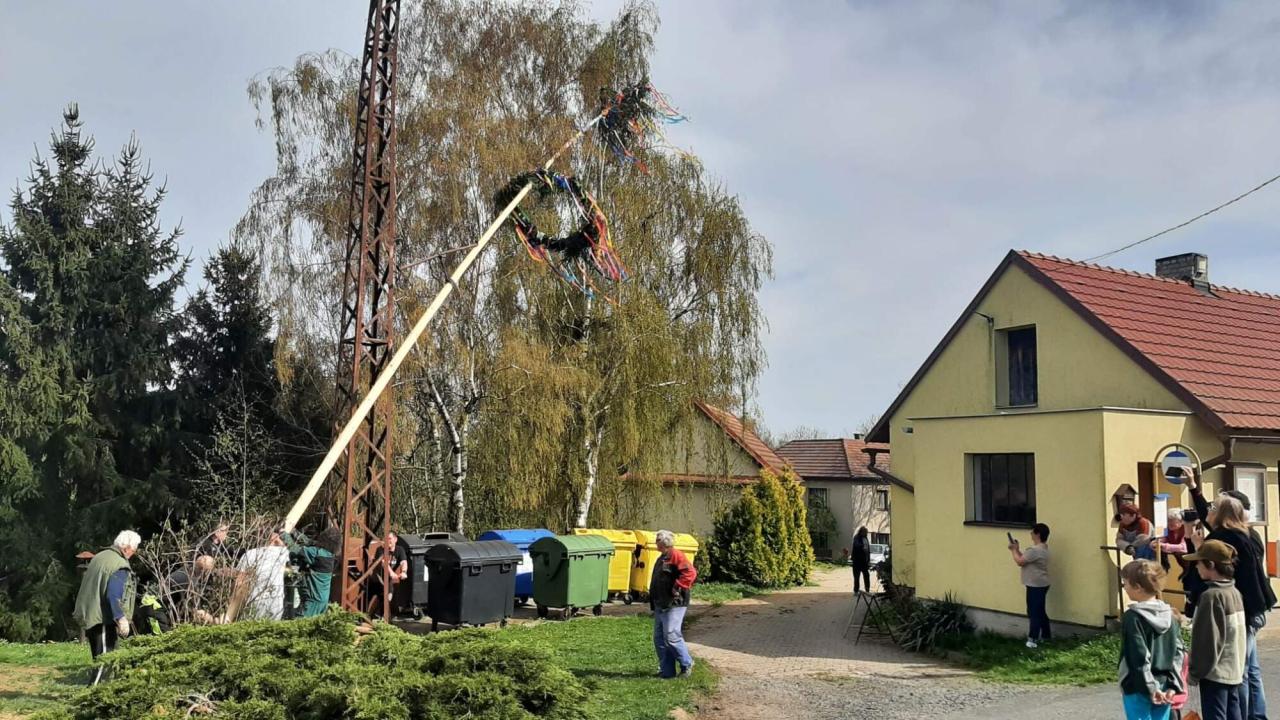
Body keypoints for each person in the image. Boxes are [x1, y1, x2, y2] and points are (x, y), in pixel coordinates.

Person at [1187, 468, 1275, 720]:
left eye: (1213, 507)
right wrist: (1193, 487)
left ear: (1222, 513)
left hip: (1241, 608)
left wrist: (1199, 548)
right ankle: (1255, 715)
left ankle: (1252, 716)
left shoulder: (1226, 538)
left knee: (1239, 672)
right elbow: (1208, 519)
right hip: (1251, 606)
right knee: (1248, 669)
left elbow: (1213, 566)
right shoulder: (1244, 533)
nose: (1209, 511)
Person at [1185, 539, 1247, 720]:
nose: (1197, 567)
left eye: (1199, 563)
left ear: (1210, 564)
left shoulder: (1211, 596)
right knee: (1233, 714)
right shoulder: (1234, 592)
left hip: (1215, 672)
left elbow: (1208, 640)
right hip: (1233, 669)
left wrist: (1195, 672)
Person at [1118, 560, 1185, 720]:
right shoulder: (1170, 614)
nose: (1124, 587)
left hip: (1138, 685)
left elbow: (1138, 657)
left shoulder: (1132, 618)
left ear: (1137, 587)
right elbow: (1179, 653)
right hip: (1166, 685)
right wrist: (1174, 684)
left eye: (1125, 583)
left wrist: (1150, 688)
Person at [73, 530, 141, 660]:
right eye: (134, 550)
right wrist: (121, 618)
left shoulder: (100, 556)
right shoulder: (119, 565)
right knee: (105, 662)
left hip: (90, 615)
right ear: (126, 548)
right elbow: (113, 594)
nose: (134, 553)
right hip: (102, 618)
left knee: (102, 659)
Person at [650, 529, 698, 679]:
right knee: (659, 638)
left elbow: (690, 573)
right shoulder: (662, 557)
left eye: (657, 540)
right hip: (661, 603)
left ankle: (687, 663)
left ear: (664, 542)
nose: (655, 542)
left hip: (674, 603)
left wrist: (677, 586)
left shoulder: (676, 555)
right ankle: (667, 672)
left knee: (671, 635)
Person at [1008, 522, 1051, 648]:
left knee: (1033, 612)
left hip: (1035, 585)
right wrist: (1017, 549)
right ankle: (1046, 636)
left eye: (1032, 532)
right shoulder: (1043, 549)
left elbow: (1020, 561)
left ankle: (1032, 639)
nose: (1031, 534)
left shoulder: (1035, 550)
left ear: (1037, 534)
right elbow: (1026, 559)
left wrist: (1013, 550)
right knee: (1040, 611)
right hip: (1041, 583)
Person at [282, 526, 340, 617]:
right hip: (323, 602)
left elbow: (295, 550)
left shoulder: (316, 554)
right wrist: (293, 531)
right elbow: (308, 542)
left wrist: (282, 533)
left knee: (300, 624)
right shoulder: (329, 555)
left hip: (312, 602)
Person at [236, 533, 290, 621]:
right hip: (276, 602)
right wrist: (278, 540)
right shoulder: (283, 552)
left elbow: (239, 582)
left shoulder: (249, 554)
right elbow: (286, 548)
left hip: (254, 599)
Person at [368, 531, 409, 617]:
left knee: (388, 597)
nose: (387, 541)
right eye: (385, 539)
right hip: (376, 579)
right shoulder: (380, 549)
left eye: (389, 538)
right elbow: (384, 563)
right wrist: (392, 573)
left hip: (387, 580)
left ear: (395, 539)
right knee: (370, 600)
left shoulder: (399, 550)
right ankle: (369, 616)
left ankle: (382, 617)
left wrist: (404, 572)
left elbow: (403, 562)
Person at [851, 527, 872, 594]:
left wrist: (868, 559)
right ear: (861, 532)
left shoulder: (866, 538)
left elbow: (868, 549)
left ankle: (867, 589)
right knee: (856, 577)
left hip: (864, 561)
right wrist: (863, 547)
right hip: (857, 561)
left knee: (866, 575)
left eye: (866, 532)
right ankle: (856, 590)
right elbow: (856, 545)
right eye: (865, 532)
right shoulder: (856, 537)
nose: (866, 533)